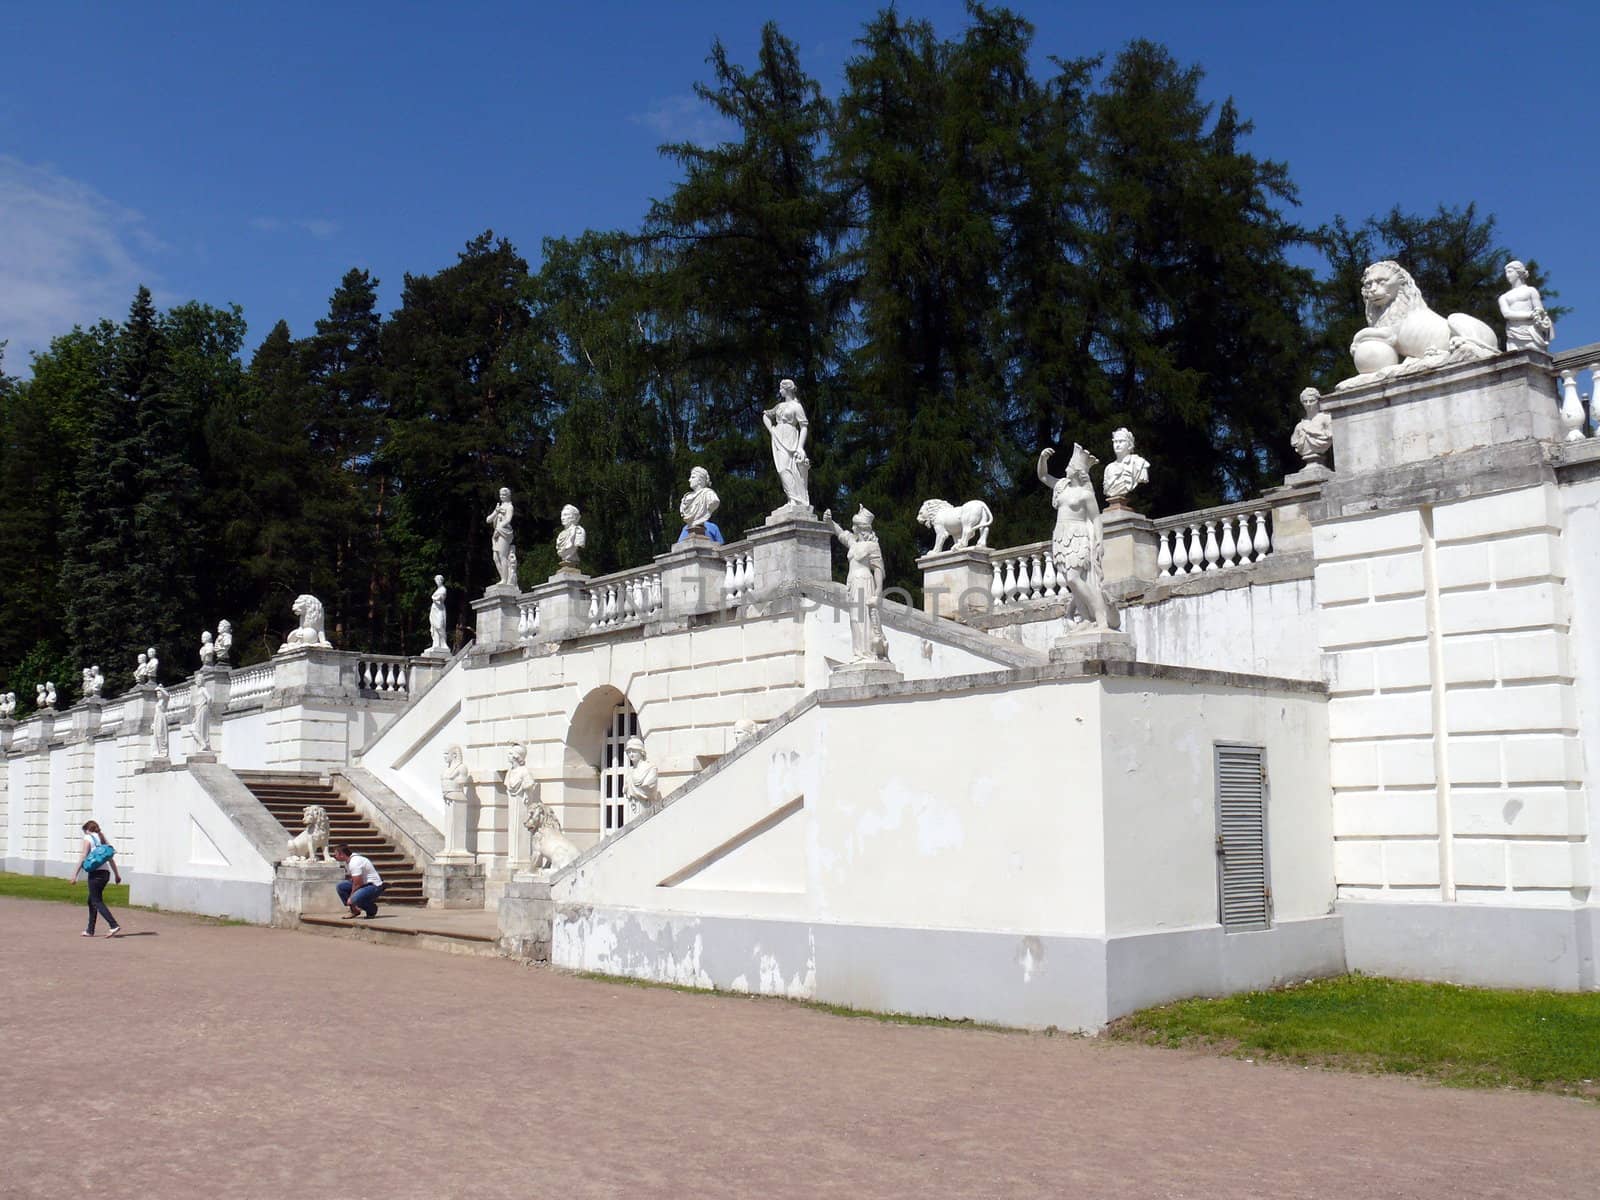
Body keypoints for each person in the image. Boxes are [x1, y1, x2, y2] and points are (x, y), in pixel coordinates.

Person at [823, 505, 889, 662]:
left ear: (861, 528)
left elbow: (878, 570)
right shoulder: (853, 543)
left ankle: (868, 653)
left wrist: (878, 593)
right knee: (855, 619)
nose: (852, 528)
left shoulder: (872, 546)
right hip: (852, 583)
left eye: (855, 526)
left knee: (863, 618)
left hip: (864, 582)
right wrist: (830, 522)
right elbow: (841, 534)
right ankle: (858, 653)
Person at [762, 379, 811, 509]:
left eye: (781, 388)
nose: (779, 391)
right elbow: (766, 416)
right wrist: (772, 430)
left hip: (791, 437)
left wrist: (800, 447)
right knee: (782, 469)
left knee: (791, 468)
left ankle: (796, 500)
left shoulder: (796, 406)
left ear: (787, 389)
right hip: (778, 437)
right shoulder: (780, 406)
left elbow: (804, 426)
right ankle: (791, 499)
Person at [70, 820, 122, 937]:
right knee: (91, 900)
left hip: (95, 874)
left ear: (87, 830)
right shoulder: (102, 838)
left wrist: (75, 875)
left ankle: (113, 925)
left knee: (96, 901)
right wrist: (117, 875)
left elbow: (83, 856)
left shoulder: (88, 838)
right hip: (105, 873)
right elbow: (110, 858)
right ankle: (90, 930)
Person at [333, 841, 385, 919]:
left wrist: (351, 897)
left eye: (336, 854)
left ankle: (371, 910)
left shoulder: (354, 862)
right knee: (341, 886)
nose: (335, 857)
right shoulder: (348, 862)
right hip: (364, 884)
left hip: (374, 886)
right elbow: (354, 880)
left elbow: (358, 883)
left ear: (342, 854)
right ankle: (354, 911)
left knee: (355, 898)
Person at [677, 467, 723, 544]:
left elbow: (720, 545)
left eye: (693, 477)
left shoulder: (709, 494)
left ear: (700, 480)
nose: (689, 480)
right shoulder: (686, 498)